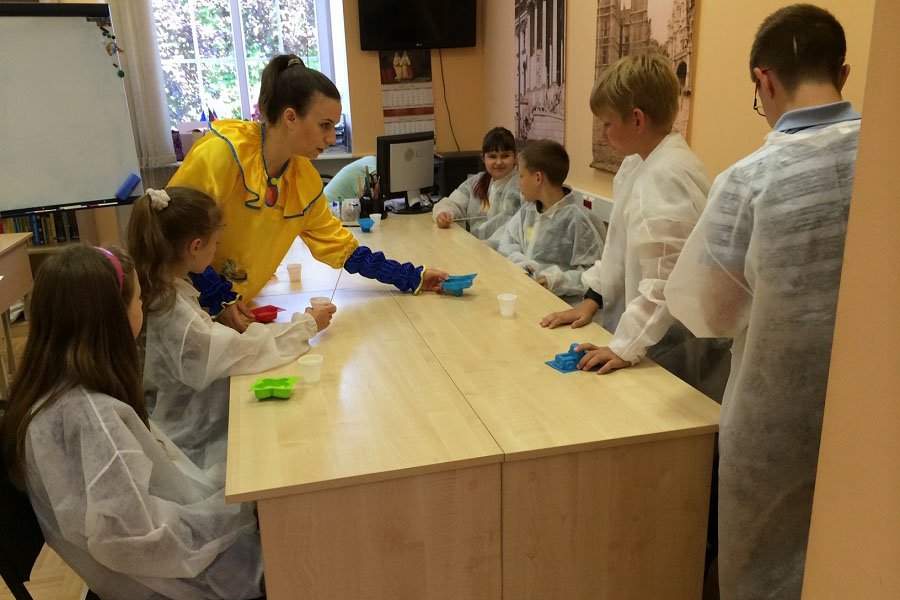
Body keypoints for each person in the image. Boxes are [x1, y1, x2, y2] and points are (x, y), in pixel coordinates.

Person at [665, 6, 861, 598]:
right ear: (843, 74)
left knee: (761, 570)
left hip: (773, 418)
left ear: (764, 80)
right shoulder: (883, 160)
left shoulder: (752, 179)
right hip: (868, 411)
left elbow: (711, 311)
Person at [0, 245, 264, 599]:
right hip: (166, 585)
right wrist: (238, 513)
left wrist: (232, 502)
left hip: (144, 574)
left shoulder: (53, 393)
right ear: (114, 317)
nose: (142, 307)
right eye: (138, 300)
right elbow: (140, 541)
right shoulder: (90, 416)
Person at [168, 54, 447, 332]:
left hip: (233, 315)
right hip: (179, 306)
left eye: (334, 127)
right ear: (290, 117)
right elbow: (174, 231)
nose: (331, 138)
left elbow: (344, 250)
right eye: (324, 125)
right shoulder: (223, 153)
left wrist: (411, 277)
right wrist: (217, 296)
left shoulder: (303, 180)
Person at [540, 52, 730, 398]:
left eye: (607, 124)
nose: (604, 134)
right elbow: (617, 251)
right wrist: (590, 300)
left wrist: (624, 347)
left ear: (637, 119)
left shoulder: (663, 177)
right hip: (647, 335)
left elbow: (664, 282)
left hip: (666, 343)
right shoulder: (639, 166)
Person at [127, 186, 329, 471]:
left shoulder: (163, 287)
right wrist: (307, 325)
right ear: (196, 247)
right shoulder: (173, 309)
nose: (216, 251)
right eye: (216, 243)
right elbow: (241, 353)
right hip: (190, 442)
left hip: (182, 427)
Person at [495, 139, 606, 301]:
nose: (519, 184)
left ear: (538, 178)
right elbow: (507, 245)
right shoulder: (527, 211)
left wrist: (555, 280)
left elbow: (595, 276)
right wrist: (525, 265)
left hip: (563, 304)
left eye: (521, 176)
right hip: (527, 293)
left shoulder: (578, 220)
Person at [432, 126, 523, 245]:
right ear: (483, 158)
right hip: (475, 248)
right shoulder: (476, 182)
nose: (499, 162)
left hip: (502, 251)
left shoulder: (521, 186)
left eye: (505, 156)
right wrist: (443, 214)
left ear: (515, 157)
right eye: (492, 156)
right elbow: (452, 203)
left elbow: (514, 229)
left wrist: (488, 245)